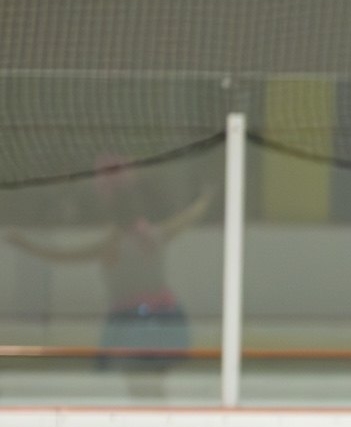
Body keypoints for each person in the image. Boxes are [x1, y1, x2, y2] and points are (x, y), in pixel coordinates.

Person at [3, 155, 212, 402]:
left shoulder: (115, 244)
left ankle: (147, 414)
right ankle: (154, 413)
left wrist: (24, 243)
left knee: (139, 380)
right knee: (152, 380)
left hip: (133, 322)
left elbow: (63, 256)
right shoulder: (152, 236)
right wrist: (205, 198)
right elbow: (190, 216)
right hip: (159, 316)